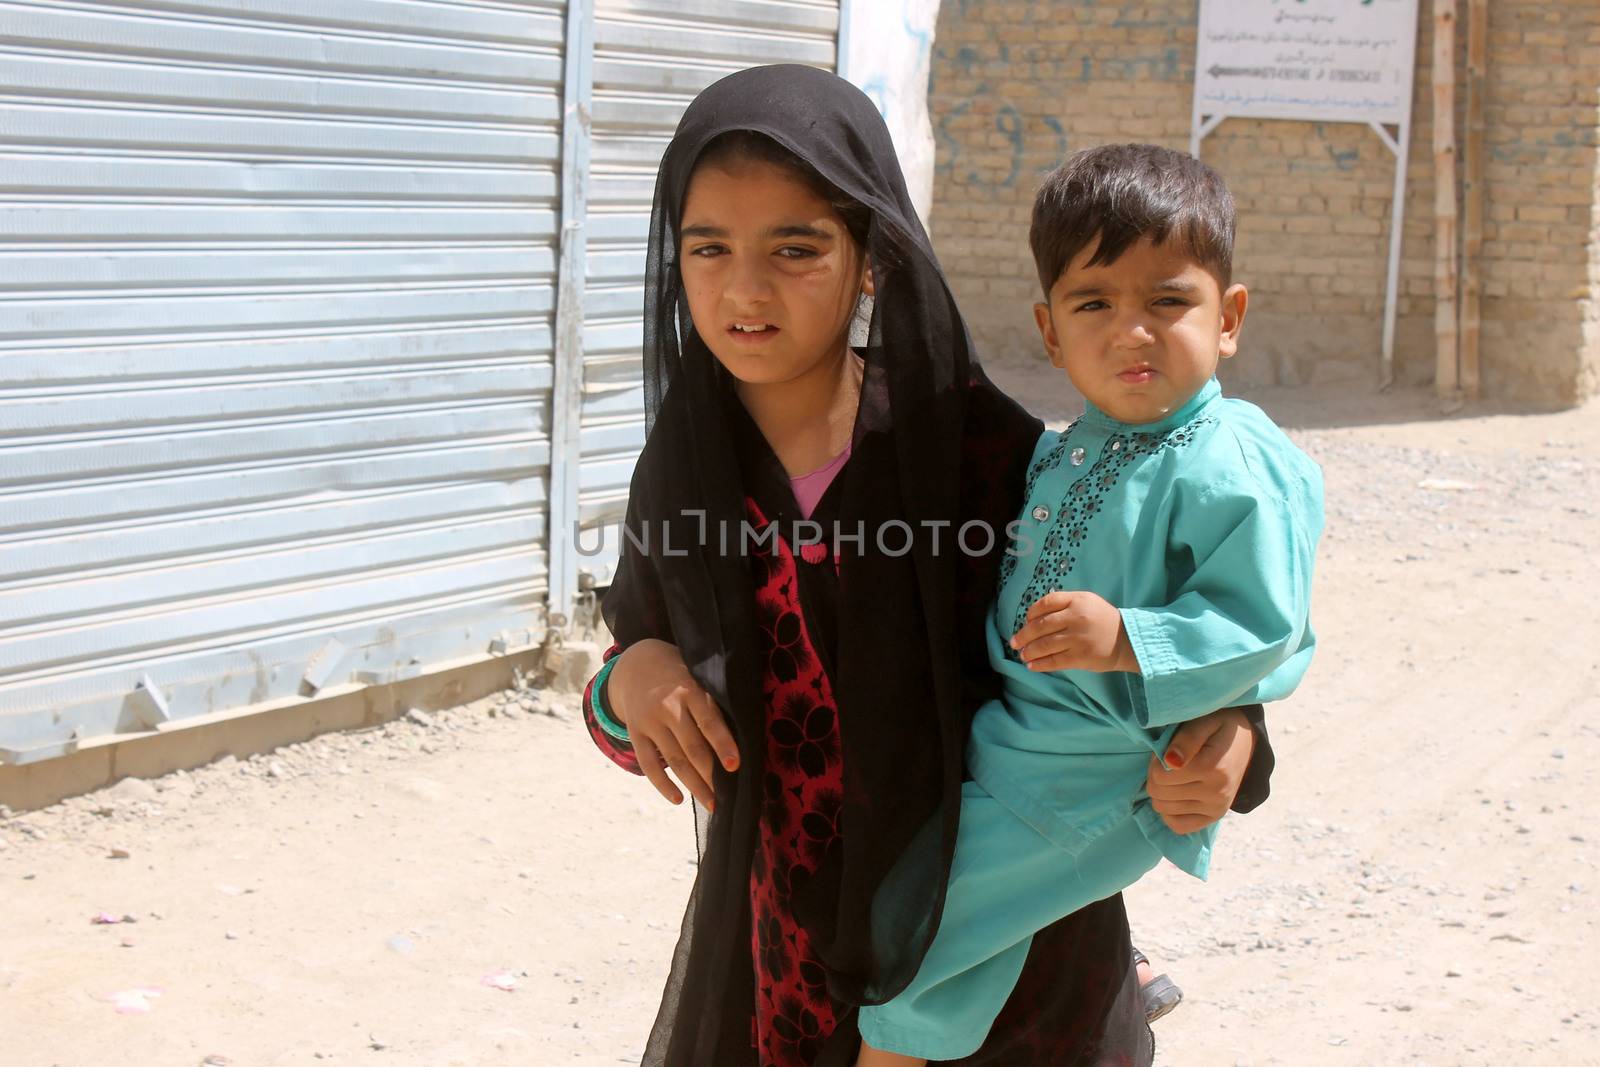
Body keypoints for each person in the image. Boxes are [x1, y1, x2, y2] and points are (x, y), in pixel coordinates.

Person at [580, 67, 1275, 1067]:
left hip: (998, 943)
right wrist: (630, 674)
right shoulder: (685, 472)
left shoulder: (976, 454)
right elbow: (642, 710)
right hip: (786, 952)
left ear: (871, 259)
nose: (744, 288)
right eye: (709, 248)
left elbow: (1160, 626)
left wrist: (1234, 733)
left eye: (797, 247)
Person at [853, 143, 1324, 1065]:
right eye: (1094, 303)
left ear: (1228, 318)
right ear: (1048, 329)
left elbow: (1265, 624)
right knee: (953, 944)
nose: (1131, 333)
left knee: (918, 945)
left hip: (1089, 773)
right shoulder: (1074, 443)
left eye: (1167, 301)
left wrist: (1127, 638)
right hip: (1020, 748)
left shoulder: (1232, 458)